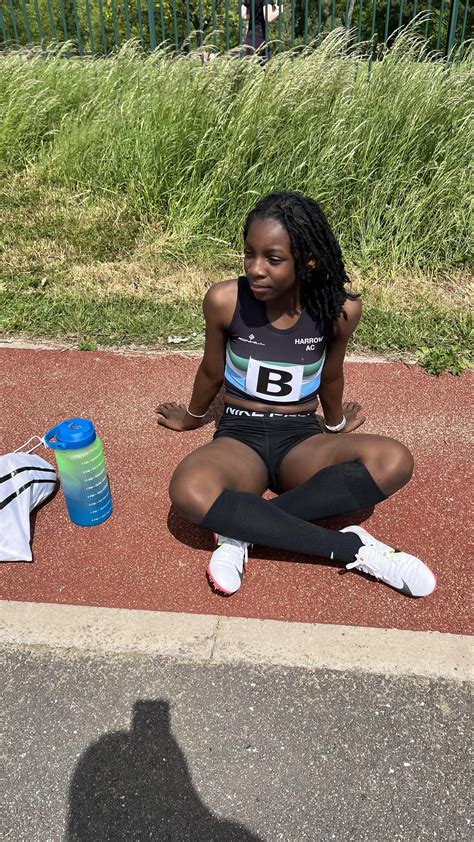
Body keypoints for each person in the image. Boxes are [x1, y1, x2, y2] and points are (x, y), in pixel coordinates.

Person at [156, 191, 436, 599]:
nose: (255, 269)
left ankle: (239, 532)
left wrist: (336, 424)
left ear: (307, 260)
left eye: (272, 258)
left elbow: (331, 374)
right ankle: (350, 548)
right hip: (239, 438)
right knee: (188, 489)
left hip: (301, 438)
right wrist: (192, 417)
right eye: (249, 254)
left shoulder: (338, 309)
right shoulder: (224, 300)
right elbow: (212, 370)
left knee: (394, 460)